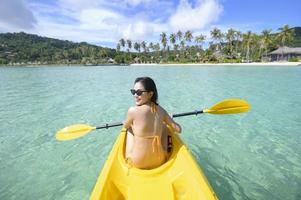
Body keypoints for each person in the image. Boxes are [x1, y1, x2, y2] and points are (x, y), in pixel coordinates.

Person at [123, 77, 182, 169]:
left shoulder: (132, 110)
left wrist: (129, 123)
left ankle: (132, 154)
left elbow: (125, 126)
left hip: (138, 162)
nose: (135, 95)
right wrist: (168, 119)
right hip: (159, 161)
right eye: (133, 92)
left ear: (150, 94)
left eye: (139, 92)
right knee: (165, 127)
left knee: (129, 129)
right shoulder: (161, 111)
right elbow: (178, 130)